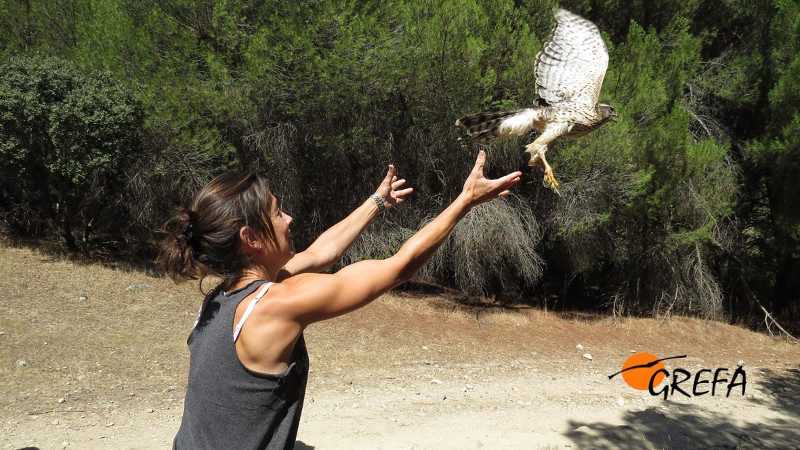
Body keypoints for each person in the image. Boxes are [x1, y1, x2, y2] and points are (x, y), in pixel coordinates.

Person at [158, 151, 521, 449]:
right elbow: (400, 267)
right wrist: (466, 201)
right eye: (277, 212)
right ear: (251, 238)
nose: (289, 218)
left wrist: (377, 202)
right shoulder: (275, 304)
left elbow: (323, 251)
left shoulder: (221, 297)